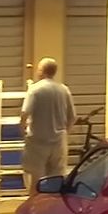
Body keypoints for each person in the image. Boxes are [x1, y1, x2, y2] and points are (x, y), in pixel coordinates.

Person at [20, 57, 75, 188]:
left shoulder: (35, 89)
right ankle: (53, 207)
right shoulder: (64, 89)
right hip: (58, 143)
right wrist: (64, 133)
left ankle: (35, 207)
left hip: (38, 142)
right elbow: (72, 117)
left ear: (41, 71)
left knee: (37, 182)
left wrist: (23, 131)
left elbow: (24, 114)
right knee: (56, 181)